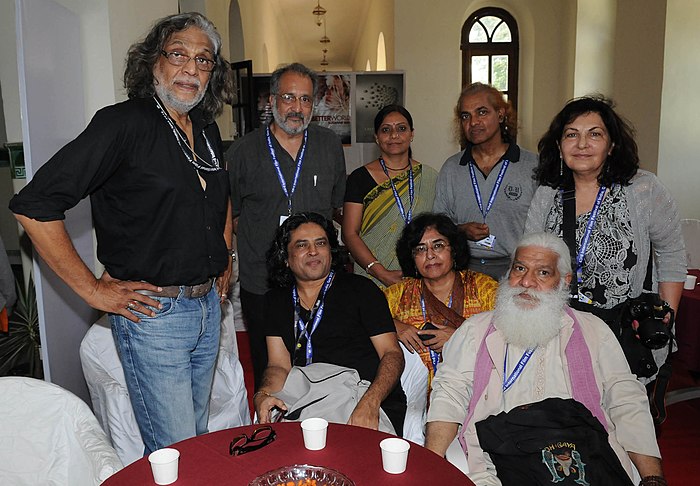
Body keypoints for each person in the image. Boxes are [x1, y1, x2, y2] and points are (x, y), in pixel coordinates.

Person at [9, 13, 235, 454]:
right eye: (178, 54)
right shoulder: (123, 123)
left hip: (209, 309)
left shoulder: (206, 130)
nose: (191, 68)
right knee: (175, 452)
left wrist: (225, 257)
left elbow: (221, 198)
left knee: (198, 439)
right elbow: (34, 206)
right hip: (154, 316)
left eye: (204, 60)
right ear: (153, 62)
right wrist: (93, 291)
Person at [425, 233, 665, 486]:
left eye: (543, 273)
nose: (526, 282)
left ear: (564, 281)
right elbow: (449, 393)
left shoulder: (594, 330)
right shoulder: (475, 330)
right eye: (520, 268)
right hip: (497, 456)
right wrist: (429, 463)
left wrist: (652, 478)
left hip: (582, 454)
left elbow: (626, 400)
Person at [525, 95, 685, 380]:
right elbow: (530, 257)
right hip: (559, 330)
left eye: (594, 134)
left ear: (611, 145)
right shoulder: (547, 194)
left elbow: (672, 253)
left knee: (621, 417)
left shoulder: (643, 190)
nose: (582, 144)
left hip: (623, 335)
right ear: (559, 147)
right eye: (571, 134)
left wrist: (664, 313)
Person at [227, 63, 346, 388]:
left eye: (305, 100)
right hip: (262, 280)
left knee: (320, 363)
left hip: (315, 278)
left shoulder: (329, 146)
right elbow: (232, 214)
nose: (297, 108)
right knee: (268, 368)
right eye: (289, 98)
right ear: (272, 100)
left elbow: (335, 203)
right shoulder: (243, 152)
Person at [254, 212, 406, 434]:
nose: (313, 251)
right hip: (305, 400)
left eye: (320, 243)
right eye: (301, 245)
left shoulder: (361, 290)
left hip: (362, 397)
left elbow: (392, 354)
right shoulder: (276, 301)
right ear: (285, 258)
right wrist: (264, 395)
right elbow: (278, 365)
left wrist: (371, 401)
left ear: (331, 252)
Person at [433, 82, 538, 281]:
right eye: (466, 116)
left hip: (516, 272)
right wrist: (460, 230)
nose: (473, 122)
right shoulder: (452, 168)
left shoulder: (532, 166)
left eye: (482, 112)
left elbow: (545, 226)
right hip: (463, 271)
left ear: (500, 115)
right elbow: (439, 224)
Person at [384, 213, 497, 384]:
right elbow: (359, 317)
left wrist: (460, 340)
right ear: (412, 258)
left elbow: (506, 338)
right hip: (415, 401)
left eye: (438, 246)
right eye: (420, 249)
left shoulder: (483, 288)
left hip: (476, 393)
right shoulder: (398, 295)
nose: (430, 255)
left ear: (454, 250)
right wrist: (393, 326)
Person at [343, 105, 438, 287]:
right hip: (371, 277)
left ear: (412, 134)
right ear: (377, 138)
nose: (394, 135)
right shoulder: (359, 178)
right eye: (386, 130)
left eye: (401, 128)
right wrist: (381, 273)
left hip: (421, 274)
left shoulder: (429, 177)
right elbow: (349, 234)